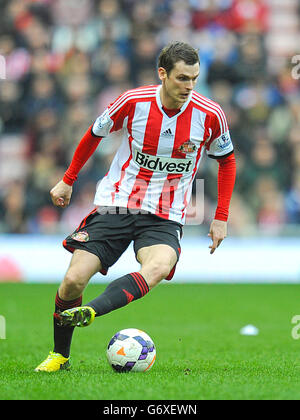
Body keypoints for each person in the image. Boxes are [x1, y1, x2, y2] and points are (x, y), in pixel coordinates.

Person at [35, 41, 236, 372]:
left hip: (165, 214)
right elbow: (93, 134)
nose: (189, 86)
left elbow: (227, 162)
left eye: (194, 78)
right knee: (72, 282)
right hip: (117, 203)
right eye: (183, 78)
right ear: (163, 74)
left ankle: (93, 311)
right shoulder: (134, 101)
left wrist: (221, 217)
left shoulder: (210, 114)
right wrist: (68, 179)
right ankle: (60, 355)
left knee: (157, 268)